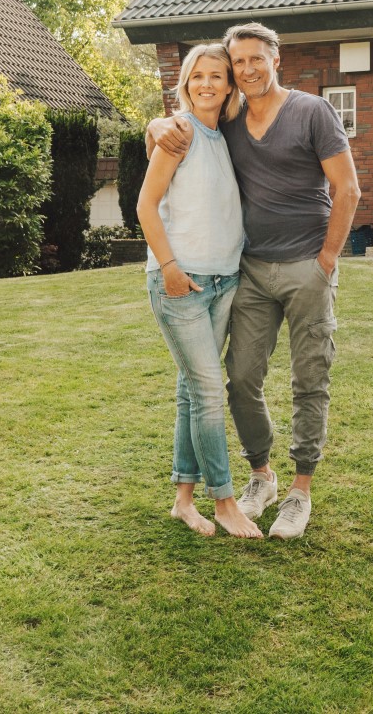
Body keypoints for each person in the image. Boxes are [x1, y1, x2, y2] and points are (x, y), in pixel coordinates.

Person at [149, 21, 360, 540]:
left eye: (255, 60)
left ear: (275, 60)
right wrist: (155, 126)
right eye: (238, 63)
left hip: (307, 268)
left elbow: (348, 187)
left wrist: (327, 259)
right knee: (240, 380)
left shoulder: (312, 111)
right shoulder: (232, 122)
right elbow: (183, 128)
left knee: (309, 380)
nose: (247, 70)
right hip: (250, 270)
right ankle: (261, 477)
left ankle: (299, 492)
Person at [137, 43, 263, 538]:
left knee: (193, 392)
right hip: (181, 282)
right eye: (197, 77)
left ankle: (183, 500)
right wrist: (168, 266)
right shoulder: (179, 132)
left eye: (216, 76)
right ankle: (225, 501)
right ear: (185, 84)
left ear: (229, 85)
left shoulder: (224, 135)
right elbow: (146, 205)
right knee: (210, 391)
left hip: (223, 281)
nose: (207, 84)